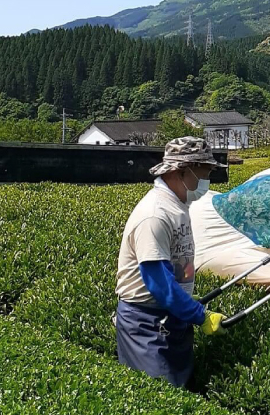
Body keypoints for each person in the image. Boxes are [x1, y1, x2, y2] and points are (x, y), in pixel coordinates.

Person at [115, 136, 228, 387]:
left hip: (171, 317)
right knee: (158, 396)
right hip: (146, 324)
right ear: (182, 171)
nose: (207, 180)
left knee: (181, 394)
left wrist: (186, 302)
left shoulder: (179, 204)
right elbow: (159, 284)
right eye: (204, 172)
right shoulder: (155, 215)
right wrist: (200, 315)